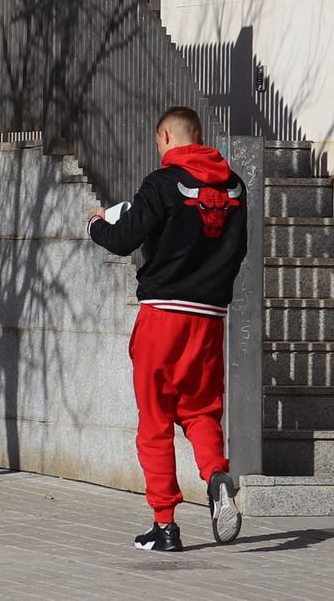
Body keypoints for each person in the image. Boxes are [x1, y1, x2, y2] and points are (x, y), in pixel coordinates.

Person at [87, 106, 247, 552]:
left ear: (165, 136)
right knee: (201, 410)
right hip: (210, 318)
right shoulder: (236, 188)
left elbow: (123, 241)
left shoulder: (160, 184)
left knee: (155, 420)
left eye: (159, 142)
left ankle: (165, 526)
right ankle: (216, 475)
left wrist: (96, 223)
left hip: (162, 315)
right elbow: (239, 250)